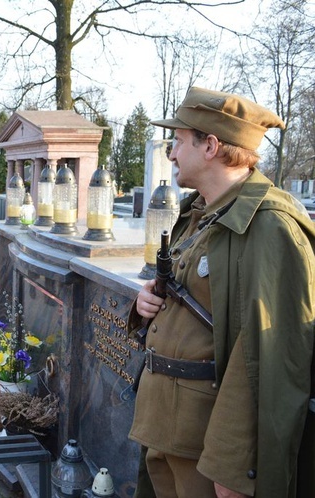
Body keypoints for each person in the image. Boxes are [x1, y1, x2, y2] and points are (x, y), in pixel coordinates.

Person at [130, 87, 315, 498]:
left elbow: (269, 354)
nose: (172, 154)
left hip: (208, 447)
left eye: (178, 142)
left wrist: (235, 466)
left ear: (210, 145)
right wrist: (145, 304)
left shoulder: (270, 227)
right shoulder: (201, 214)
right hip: (166, 425)